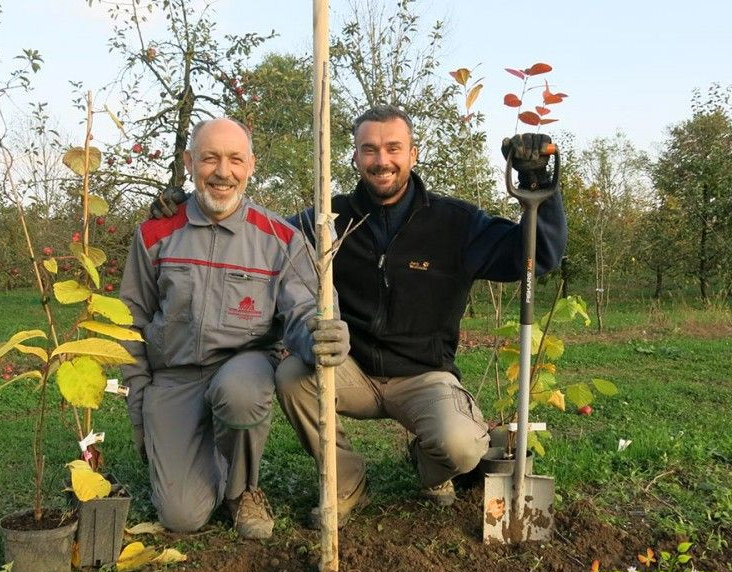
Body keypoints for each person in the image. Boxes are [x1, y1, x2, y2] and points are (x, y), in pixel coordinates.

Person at [152, 106, 567, 528]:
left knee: (459, 446)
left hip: (425, 376)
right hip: (350, 370)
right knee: (293, 374)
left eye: (393, 148)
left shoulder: (455, 223)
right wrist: (197, 204)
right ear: (354, 157)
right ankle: (348, 482)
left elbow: (538, 255)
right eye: (369, 149)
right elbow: (259, 232)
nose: (381, 160)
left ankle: (428, 462)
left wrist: (539, 188)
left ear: (413, 154)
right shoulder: (327, 221)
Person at [120, 117, 349, 539]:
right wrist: (140, 407)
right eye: (210, 158)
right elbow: (130, 321)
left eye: (235, 160)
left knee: (239, 393)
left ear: (251, 165)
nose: (223, 172)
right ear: (189, 162)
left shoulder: (280, 238)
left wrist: (321, 333)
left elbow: (302, 312)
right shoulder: (154, 234)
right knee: (181, 517)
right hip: (175, 376)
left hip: (244, 365)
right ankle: (205, 453)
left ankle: (242, 489)